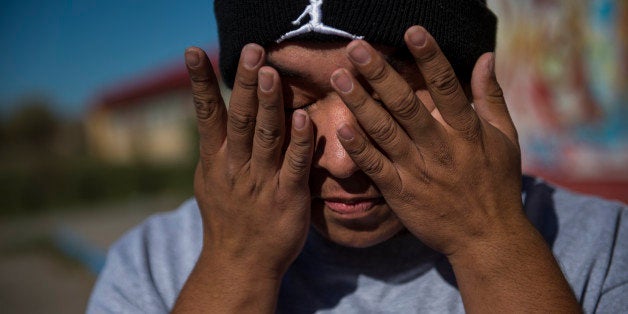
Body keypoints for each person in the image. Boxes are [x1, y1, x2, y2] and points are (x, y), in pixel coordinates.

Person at [87, 0, 628, 313]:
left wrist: (488, 239)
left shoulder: (603, 247)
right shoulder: (155, 267)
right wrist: (237, 262)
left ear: (466, 87)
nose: (344, 163)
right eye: (293, 101)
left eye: (388, 95)